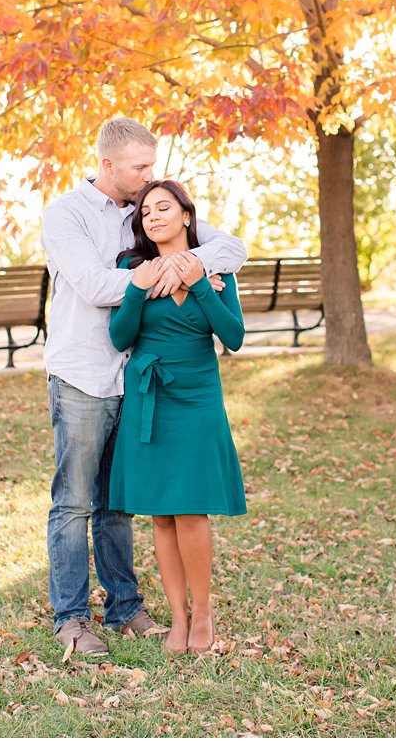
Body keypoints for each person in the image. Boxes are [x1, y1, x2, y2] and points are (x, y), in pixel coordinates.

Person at [41, 117, 247, 660]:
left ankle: (126, 606)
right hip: (85, 373)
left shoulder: (144, 209)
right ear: (108, 165)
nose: (150, 176)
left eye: (152, 168)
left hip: (134, 381)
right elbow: (92, 283)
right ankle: (71, 618)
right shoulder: (66, 215)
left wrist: (190, 265)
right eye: (141, 167)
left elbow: (230, 247)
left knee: (119, 505)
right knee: (75, 502)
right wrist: (158, 274)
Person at [108, 179, 247, 656]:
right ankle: (179, 618)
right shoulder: (134, 267)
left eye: (163, 208)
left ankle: (204, 612)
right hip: (150, 399)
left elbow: (234, 336)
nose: (154, 217)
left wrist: (199, 287)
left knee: (191, 510)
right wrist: (136, 291)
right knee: (161, 516)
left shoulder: (217, 265)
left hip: (198, 397)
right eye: (145, 212)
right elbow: (119, 337)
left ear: (187, 215)